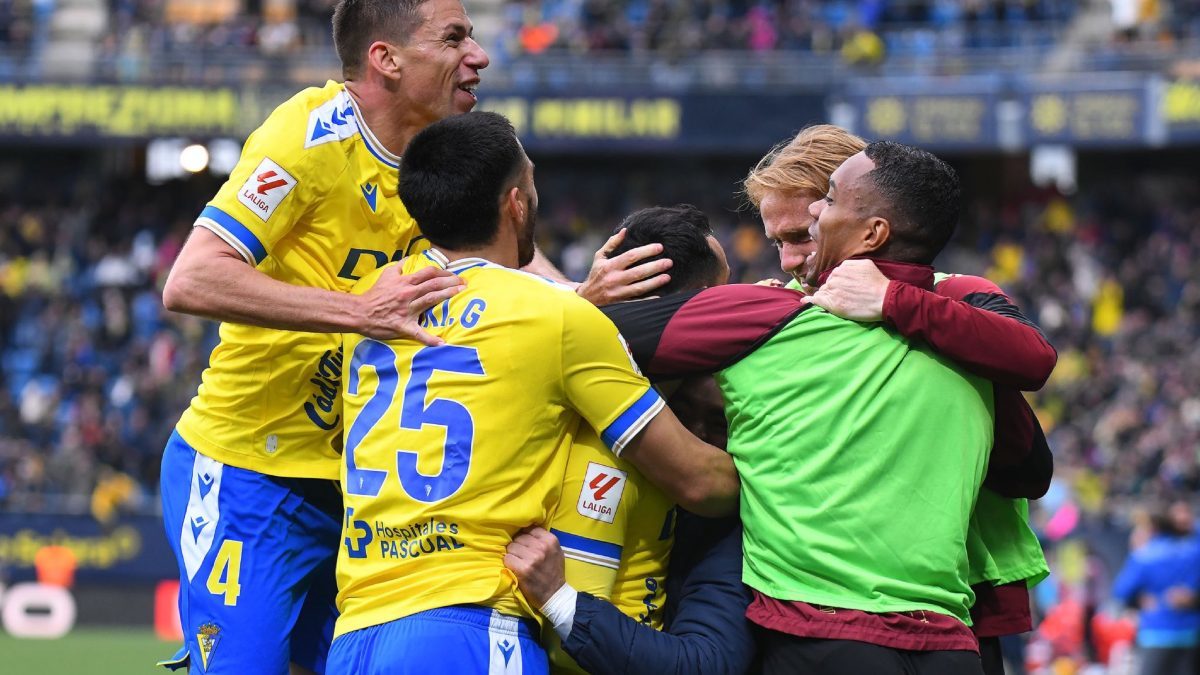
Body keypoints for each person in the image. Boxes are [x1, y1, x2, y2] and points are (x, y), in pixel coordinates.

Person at [325, 112, 738, 675]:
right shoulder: (557, 318)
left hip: (357, 627)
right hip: (469, 619)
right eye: (533, 183)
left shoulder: (373, 306)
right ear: (517, 204)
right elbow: (702, 482)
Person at [158, 2, 487, 672]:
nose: (478, 56)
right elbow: (191, 279)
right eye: (454, 38)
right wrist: (358, 311)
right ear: (385, 59)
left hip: (361, 490)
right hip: (250, 473)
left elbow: (505, 258)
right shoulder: (311, 134)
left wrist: (581, 296)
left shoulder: (445, 154)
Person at [746, 125, 1054, 675]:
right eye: (777, 243)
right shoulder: (779, 314)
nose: (790, 259)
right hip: (825, 604)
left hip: (960, 601)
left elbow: (1030, 458)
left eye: (803, 234)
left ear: (867, 221)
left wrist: (893, 300)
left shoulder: (953, 295)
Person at [518, 204, 753, 675]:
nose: (728, 309)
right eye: (718, 297)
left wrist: (577, 302)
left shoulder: (546, 367)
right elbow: (565, 647)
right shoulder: (604, 453)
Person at [1113, 503, 1200, 675]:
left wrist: (1139, 599)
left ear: (1151, 529)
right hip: (1190, 634)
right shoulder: (1194, 552)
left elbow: (1121, 591)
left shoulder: (1144, 556)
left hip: (1155, 633)